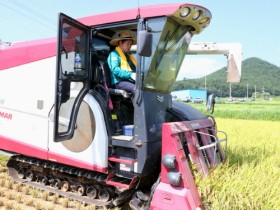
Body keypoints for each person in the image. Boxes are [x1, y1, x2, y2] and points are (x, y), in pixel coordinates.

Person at [107, 30, 137, 97]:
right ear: (120, 43)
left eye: (130, 44)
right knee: (136, 89)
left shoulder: (128, 56)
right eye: (127, 43)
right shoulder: (114, 54)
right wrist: (130, 75)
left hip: (128, 80)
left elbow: (134, 69)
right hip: (118, 82)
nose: (129, 46)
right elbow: (115, 69)